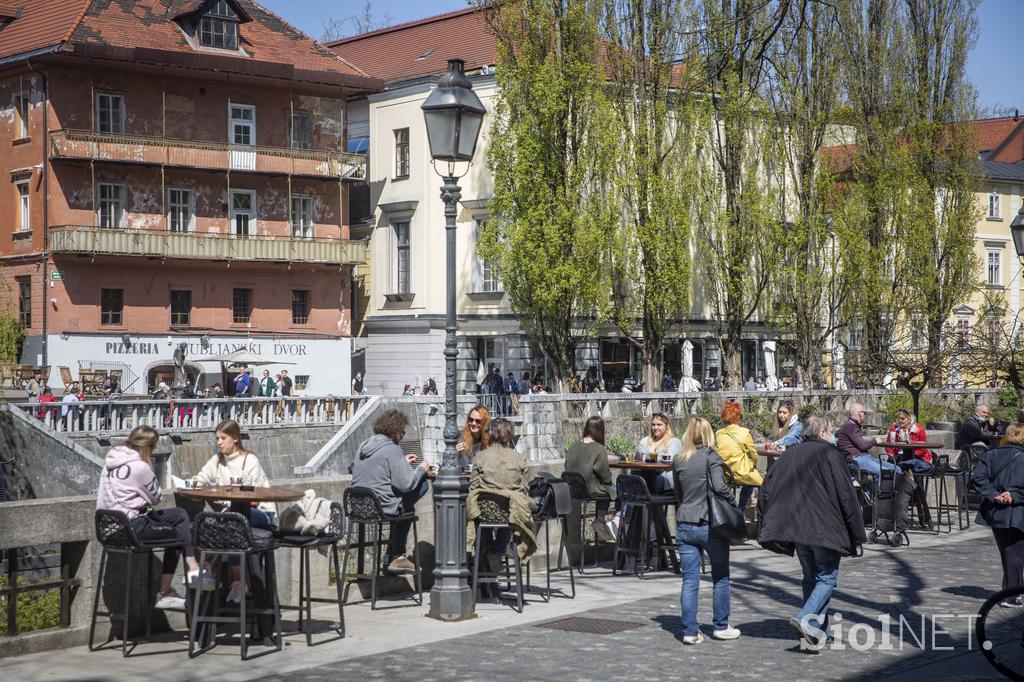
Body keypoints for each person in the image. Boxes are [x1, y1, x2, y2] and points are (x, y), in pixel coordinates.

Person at [757, 415, 867, 651]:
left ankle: (816, 635)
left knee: (811, 578)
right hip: (824, 527)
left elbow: (766, 489)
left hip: (797, 528)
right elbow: (846, 496)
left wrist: (768, 521)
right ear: (822, 433)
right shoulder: (830, 455)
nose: (833, 435)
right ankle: (805, 617)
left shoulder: (789, 454)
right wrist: (857, 532)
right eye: (830, 431)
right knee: (826, 578)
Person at [97, 426, 213, 608]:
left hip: (107, 527)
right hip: (132, 528)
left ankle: (192, 566)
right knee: (179, 534)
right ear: (148, 447)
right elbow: (157, 497)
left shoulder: (111, 461)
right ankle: (169, 588)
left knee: (179, 515)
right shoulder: (140, 467)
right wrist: (149, 467)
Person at [672, 417, 739, 644]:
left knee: (689, 581)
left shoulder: (679, 459)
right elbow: (720, 487)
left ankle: (690, 631)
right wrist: (733, 504)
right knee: (720, 576)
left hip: (685, 522)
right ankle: (720, 625)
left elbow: (679, 493)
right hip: (709, 525)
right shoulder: (711, 456)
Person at [193, 419, 275, 603]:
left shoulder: (249, 460)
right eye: (217, 439)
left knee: (234, 520)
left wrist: (227, 499)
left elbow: (253, 493)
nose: (219, 442)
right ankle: (240, 583)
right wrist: (197, 486)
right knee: (233, 528)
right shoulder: (217, 461)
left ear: (235, 438)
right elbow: (201, 478)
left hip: (261, 513)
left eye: (223, 438)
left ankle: (209, 564)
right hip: (233, 518)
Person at [352, 409, 429, 574]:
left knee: (404, 507)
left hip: (359, 507)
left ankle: (391, 556)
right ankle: (397, 555)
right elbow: (406, 485)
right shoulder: (392, 449)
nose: (402, 437)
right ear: (395, 431)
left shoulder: (363, 446)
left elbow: (379, 470)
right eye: (402, 433)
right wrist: (421, 470)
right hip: (382, 508)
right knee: (421, 488)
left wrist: (402, 462)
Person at [467, 418, 536, 574]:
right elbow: (524, 488)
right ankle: (499, 549)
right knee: (511, 508)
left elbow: (473, 486)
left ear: (490, 434)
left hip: (485, 512)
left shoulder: (481, 457)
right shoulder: (519, 458)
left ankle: (488, 552)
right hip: (512, 513)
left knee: (480, 511)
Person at [973, 424, 1024, 602]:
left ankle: (1009, 591)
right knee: (1014, 553)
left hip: (996, 511)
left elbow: (977, 478)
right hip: (1018, 511)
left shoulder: (991, 454)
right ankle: (1012, 594)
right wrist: (1013, 495)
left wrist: (994, 495)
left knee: (1007, 552)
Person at [564, 416, 616, 542]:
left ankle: (601, 520)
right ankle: (602, 520)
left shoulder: (574, 445)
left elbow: (566, 466)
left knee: (607, 488)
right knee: (617, 490)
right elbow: (605, 476)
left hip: (572, 489)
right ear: (600, 431)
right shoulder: (598, 448)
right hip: (590, 489)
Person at [836, 403, 900, 488]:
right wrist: (874, 441)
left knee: (898, 470)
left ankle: (872, 491)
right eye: (864, 413)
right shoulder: (850, 426)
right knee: (891, 473)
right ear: (859, 413)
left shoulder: (851, 425)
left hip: (864, 458)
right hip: (858, 460)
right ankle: (872, 491)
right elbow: (862, 445)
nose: (864, 415)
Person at [715, 402, 762, 509]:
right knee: (757, 482)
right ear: (738, 417)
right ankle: (741, 509)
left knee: (748, 481)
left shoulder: (719, 433)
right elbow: (754, 454)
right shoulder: (744, 433)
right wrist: (752, 464)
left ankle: (733, 510)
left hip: (726, 473)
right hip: (741, 472)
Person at [637, 413, 682, 492]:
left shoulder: (674, 442)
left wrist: (647, 457)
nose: (655, 427)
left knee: (648, 484)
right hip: (644, 475)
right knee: (628, 481)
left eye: (659, 425)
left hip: (665, 477)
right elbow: (637, 458)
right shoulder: (644, 441)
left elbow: (669, 460)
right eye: (653, 424)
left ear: (667, 426)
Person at [457, 404, 492, 471]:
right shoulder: (460, 437)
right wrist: (454, 452)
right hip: (464, 477)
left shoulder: (491, 439)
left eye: (478, 421)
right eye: (471, 419)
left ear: (485, 423)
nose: (473, 423)